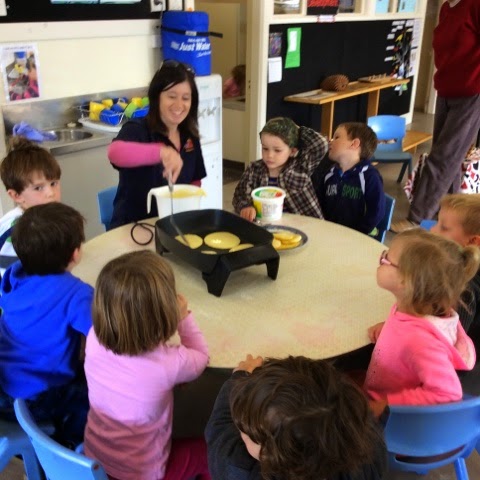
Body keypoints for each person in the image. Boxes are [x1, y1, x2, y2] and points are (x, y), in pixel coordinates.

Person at [84, 250, 210, 480]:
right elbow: (201, 356)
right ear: (165, 312)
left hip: (94, 460)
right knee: (210, 450)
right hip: (144, 473)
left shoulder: (94, 337)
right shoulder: (168, 364)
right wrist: (184, 317)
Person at [205, 354, 387, 480]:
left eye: (247, 431)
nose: (240, 428)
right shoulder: (367, 456)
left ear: (268, 455)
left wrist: (239, 377)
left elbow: (218, 428)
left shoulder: (237, 468)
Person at [0, 203, 91, 447]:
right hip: (36, 398)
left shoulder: (16, 275)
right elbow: (105, 335)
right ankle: (70, 446)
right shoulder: (76, 294)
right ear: (75, 254)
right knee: (95, 394)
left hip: (6, 385)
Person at [365, 229, 479, 412]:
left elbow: (447, 394)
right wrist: (389, 328)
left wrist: (387, 404)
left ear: (407, 281)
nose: (381, 259)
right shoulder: (416, 309)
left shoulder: (420, 342)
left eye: (386, 258)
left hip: (388, 415)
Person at [391, 0, 480, 233]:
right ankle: (448, 218)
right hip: (446, 90)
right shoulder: (447, 9)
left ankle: (417, 219)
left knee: (443, 157)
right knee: (449, 160)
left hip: (472, 92)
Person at [108, 60, 207, 228]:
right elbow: (114, 153)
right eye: (171, 96)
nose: (179, 105)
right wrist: (161, 153)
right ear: (156, 97)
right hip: (133, 227)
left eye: (185, 98)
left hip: (173, 225)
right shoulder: (138, 129)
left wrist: (188, 211)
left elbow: (195, 181)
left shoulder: (190, 136)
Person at [232, 117, 328, 221]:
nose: (270, 155)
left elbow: (321, 144)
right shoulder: (254, 169)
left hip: (305, 224)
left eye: (277, 150)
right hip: (267, 224)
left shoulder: (301, 165)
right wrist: (246, 206)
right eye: (265, 148)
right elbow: (240, 194)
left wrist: (297, 130)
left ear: (292, 151)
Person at [0, 136, 61, 275]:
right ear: (17, 196)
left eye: (53, 183)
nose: (51, 193)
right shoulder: (16, 231)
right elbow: (10, 282)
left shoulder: (42, 215)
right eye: (38, 188)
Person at [314, 122, 386, 236]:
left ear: (354, 144)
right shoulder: (329, 174)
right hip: (330, 234)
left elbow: (377, 211)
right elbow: (319, 204)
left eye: (336, 137)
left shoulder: (370, 177)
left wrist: (358, 233)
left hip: (357, 237)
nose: (330, 141)